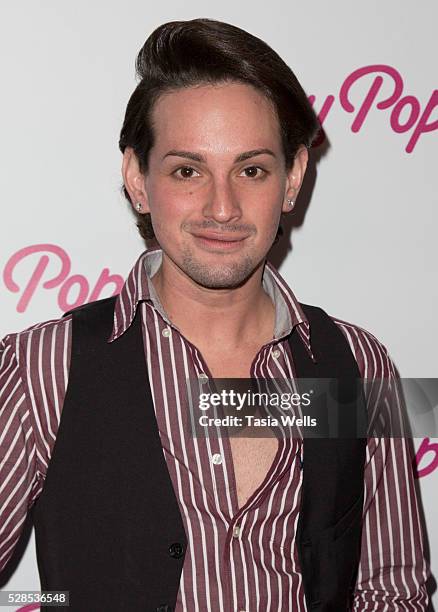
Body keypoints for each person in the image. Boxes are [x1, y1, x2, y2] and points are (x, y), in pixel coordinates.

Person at [0, 17, 429, 612]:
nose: (222, 207)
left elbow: (390, 592)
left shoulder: (354, 364)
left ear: (293, 178)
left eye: (251, 170)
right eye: (187, 171)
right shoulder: (46, 365)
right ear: (137, 180)